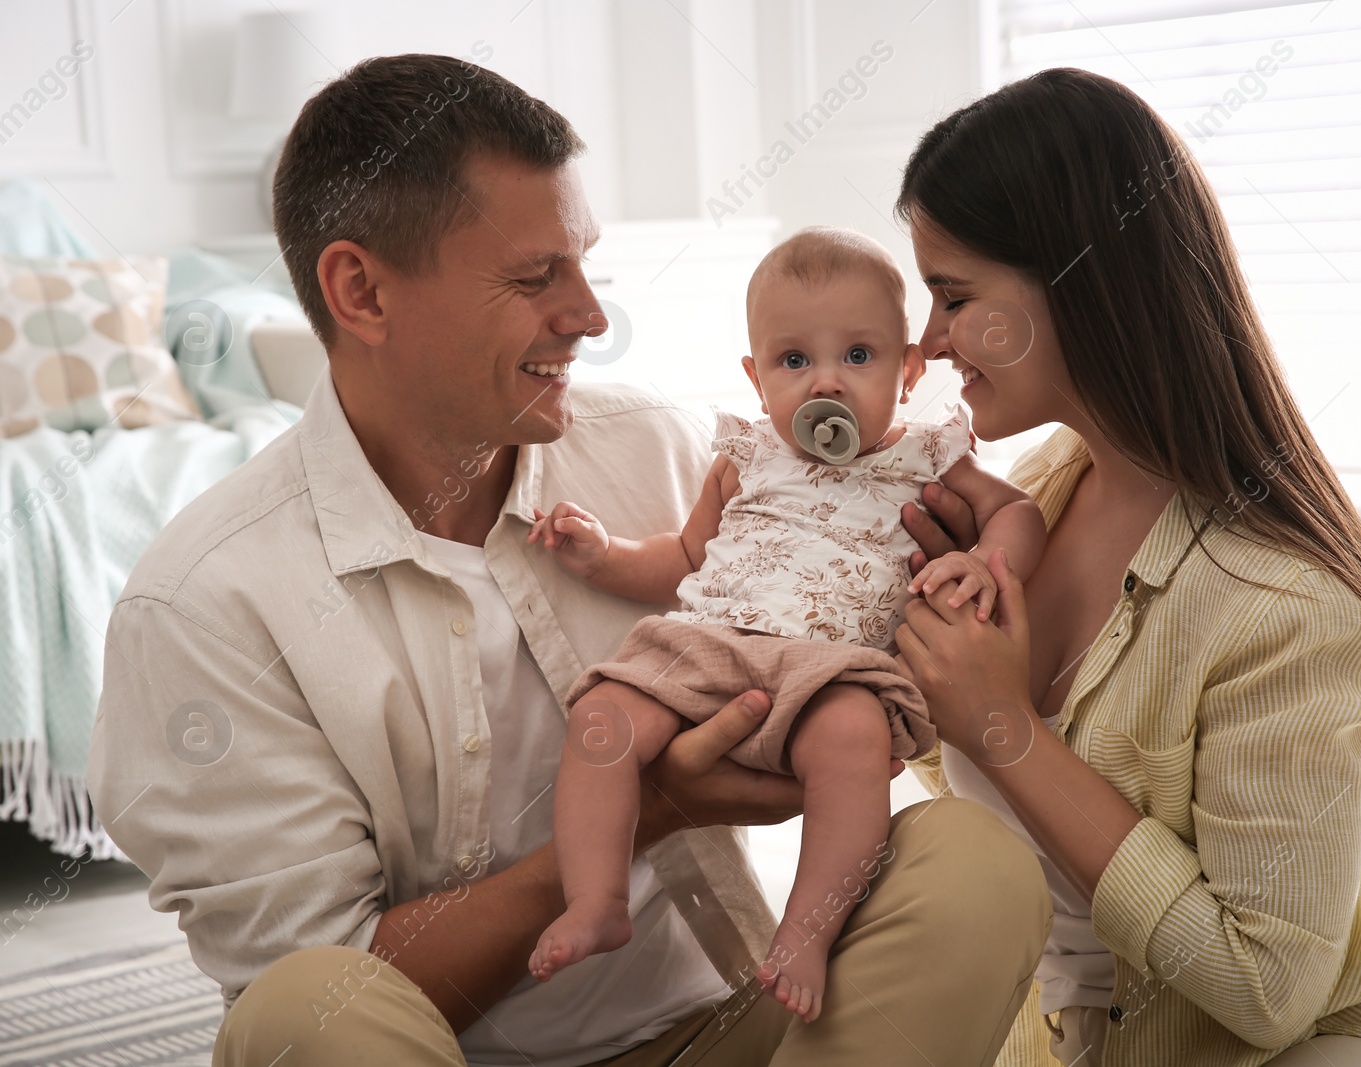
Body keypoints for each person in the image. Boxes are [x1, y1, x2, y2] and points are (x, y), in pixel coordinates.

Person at [86, 55, 1050, 1067]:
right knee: (300, 1005)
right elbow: (332, 995)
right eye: (535, 275)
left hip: (726, 1031)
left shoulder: (666, 450)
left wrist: (948, 589)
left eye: (584, 263)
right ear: (361, 291)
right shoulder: (204, 605)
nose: (591, 315)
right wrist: (659, 808)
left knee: (971, 863)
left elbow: (851, 623)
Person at [890, 68, 1361, 1067]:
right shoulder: (1038, 492)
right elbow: (970, 791)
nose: (925, 342)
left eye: (952, 295)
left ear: (1075, 281)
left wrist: (1006, 727)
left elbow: (1263, 990)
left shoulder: (1282, 606)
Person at [526, 227, 1047, 1024]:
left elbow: (1017, 511)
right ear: (756, 376)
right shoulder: (747, 455)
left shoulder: (928, 458)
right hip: (708, 643)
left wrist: (987, 561)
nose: (825, 383)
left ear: (910, 371)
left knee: (854, 743)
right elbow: (686, 555)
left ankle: (805, 931)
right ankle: (595, 899)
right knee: (602, 717)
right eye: (794, 361)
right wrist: (604, 555)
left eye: (859, 357)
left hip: (830, 665)